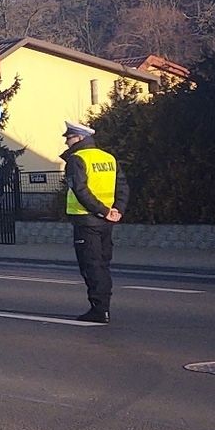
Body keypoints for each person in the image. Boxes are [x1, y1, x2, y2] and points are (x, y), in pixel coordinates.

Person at [60, 121, 128, 323]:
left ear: (80, 138)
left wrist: (103, 210)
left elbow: (80, 191)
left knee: (91, 266)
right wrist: (117, 211)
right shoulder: (108, 158)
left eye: (69, 138)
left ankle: (99, 310)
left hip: (86, 220)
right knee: (103, 264)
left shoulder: (77, 159)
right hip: (106, 222)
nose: (66, 142)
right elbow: (123, 187)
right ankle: (103, 307)